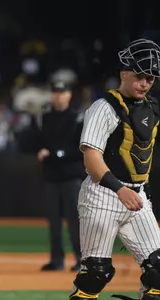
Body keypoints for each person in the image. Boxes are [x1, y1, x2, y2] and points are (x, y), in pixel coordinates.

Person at [69, 38, 160, 300]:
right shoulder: (104, 107)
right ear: (123, 73)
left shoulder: (152, 108)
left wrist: (143, 192)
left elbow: (143, 156)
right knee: (95, 275)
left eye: (151, 78)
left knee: (158, 270)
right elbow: (91, 158)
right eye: (140, 76)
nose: (145, 83)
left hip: (137, 197)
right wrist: (120, 190)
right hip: (103, 195)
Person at [35, 80, 83, 272]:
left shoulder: (77, 118)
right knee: (53, 222)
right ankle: (57, 260)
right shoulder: (45, 118)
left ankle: (81, 259)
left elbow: (80, 149)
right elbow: (37, 142)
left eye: (62, 92)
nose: (58, 95)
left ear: (69, 95)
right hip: (52, 177)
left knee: (75, 221)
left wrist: (55, 154)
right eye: (55, 92)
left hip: (72, 177)